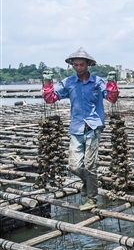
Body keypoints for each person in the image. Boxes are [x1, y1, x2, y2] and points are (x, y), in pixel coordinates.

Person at [42, 47, 119, 211]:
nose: (78, 68)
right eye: (75, 65)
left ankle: (92, 198)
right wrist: (47, 83)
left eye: (81, 65)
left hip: (93, 126)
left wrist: (112, 83)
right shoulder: (68, 83)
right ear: (72, 65)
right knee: (74, 166)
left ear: (88, 65)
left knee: (90, 165)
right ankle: (87, 182)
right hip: (76, 128)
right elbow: (51, 99)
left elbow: (111, 98)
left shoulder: (97, 82)